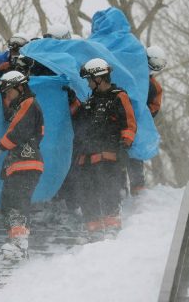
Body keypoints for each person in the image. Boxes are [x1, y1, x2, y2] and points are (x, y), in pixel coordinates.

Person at [73, 58, 136, 241]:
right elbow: (80, 120)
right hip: (88, 155)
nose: (88, 83)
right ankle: (93, 228)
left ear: (99, 78)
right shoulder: (91, 100)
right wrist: (72, 101)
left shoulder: (118, 96)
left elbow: (129, 122)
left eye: (89, 79)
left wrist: (125, 142)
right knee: (87, 191)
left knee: (109, 189)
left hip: (109, 154)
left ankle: (112, 225)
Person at [0, 71, 44, 260]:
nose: (7, 96)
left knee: (18, 201)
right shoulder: (20, 105)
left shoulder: (28, 103)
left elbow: (18, 131)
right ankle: (16, 243)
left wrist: (0, 147)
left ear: (20, 87)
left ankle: (20, 244)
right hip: (17, 163)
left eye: (8, 92)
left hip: (26, 162)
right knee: (8, 202)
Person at [127, 45, 166, 195]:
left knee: (135, 154)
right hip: (122, 120)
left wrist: (142, 115)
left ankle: (137, 187)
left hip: (137, 124)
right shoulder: (130, 76)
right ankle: (125, 188)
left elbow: (154, 107)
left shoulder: (154, 86)